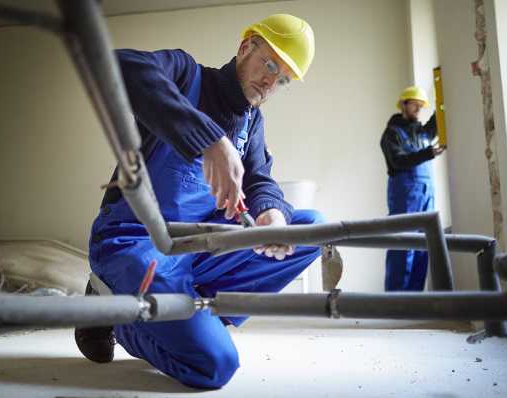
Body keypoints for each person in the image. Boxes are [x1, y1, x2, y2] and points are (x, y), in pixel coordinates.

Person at [74, 14, 324, 389]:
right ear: (245, 48)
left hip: (200, 248)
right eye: (269, 63)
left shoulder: (252, 123)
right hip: (138, 244)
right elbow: (116, 66)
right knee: (215, 366)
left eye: (283, 77)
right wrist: (208, 138)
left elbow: (260, 179)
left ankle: (203, 316)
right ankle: (111, 312)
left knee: (309, 228)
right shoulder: (185, 75)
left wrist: (272, 213)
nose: (271, 81)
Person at [380, 86, 446, 291]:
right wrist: (427, 154)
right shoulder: (392, 133)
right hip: (405, 195)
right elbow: (398, 161)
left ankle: (416, 300)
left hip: (426, 195)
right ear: (403, 105)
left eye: (421, 106)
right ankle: (396, 301)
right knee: (402, 244)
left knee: (424, 246)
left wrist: (442, 92)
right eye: (414, 105)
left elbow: (439, 117)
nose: (418, 109)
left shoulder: (423, 133)